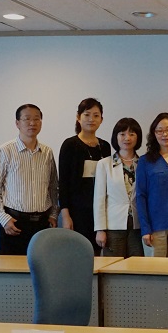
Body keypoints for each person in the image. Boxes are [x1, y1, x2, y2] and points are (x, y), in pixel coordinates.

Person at [0, 104, 58, 255]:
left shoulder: (47, 152)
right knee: (13, 268)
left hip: (42, 223)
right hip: (14, 223)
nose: (32, 123)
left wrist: (53, 214)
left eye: (36, 119)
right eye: (27, 119)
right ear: (17, 123)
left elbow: (52, 186)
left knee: (42, 267)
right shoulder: (5, 151)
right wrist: (3, 218)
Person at [59, 98, 111, 252]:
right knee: (78, 254)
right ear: (78, 117)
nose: (91, 119)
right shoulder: (70, 145)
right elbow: (63, 183)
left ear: (101, 119)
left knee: (99, 255)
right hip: (77, 212)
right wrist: (66, 216)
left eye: (96, 115)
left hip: (100, 212)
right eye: (87, 115)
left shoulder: (105, 146)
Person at [136, 113, 168, 257]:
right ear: (154, 134)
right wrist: (145, 229)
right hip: (154, 228)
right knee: (155, 268)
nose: (164, 134)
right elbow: (140, 196)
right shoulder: (145, 161)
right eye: (159, 131)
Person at [93, 118, 144, 258]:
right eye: (122, 134)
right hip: (113, 225)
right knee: (113, 265)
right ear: (116, 137)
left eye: (132, 134)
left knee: (136, 265)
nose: (127, 138)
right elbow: (99, 199)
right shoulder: (104, 164)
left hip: (138, 225)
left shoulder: (144, 163)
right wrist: (100, 229)